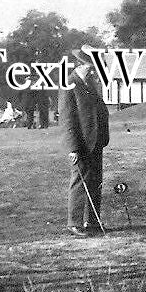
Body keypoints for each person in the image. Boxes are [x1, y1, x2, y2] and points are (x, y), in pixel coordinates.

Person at [60, 44, 110, 237]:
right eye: (90, 66)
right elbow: (67, 120)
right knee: (80, 182)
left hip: (96, 141)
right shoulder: (69, 84)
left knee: (96, 182)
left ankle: (93, 221)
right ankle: (75, 223)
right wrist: (72, 148)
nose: (93, 69)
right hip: (80, 144)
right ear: (79, 65)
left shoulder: (91, 83)